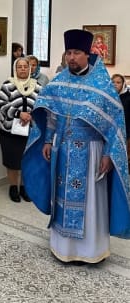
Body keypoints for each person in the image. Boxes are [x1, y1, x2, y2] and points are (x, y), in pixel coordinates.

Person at [22, 29, 130, 265]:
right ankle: (64, 247)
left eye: (77, 53)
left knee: (91, 200)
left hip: (91, 151)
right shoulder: (60, 82)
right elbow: (51, 114)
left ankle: (90, 250)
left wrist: (109, 154)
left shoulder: (101, 85)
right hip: (64, 150)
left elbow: (115, 124)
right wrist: (49, 140)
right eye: (69, 52)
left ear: (87, 54)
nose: (72, 57)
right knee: (62, 197)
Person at [0, 57, 40, 202]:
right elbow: (2, 105)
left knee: (26, 160)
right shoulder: (8, 85)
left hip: (30, 130)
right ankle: (13, 187)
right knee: (12, 161)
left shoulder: (37, 86)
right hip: (9, 132)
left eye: (25, 67)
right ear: (15, 69)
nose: (22, 69)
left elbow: (41, 106)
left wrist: (32, 116)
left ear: (30, 69)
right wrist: (18, 114)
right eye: (19, 67)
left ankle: (23, 187)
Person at [111, 73, 130, 167]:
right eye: (113, 82)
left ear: (123, 84)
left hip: (124, 133)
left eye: (118, 82)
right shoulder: (108, 97)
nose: (115, 84)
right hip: (111, 133)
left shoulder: (128, 98)